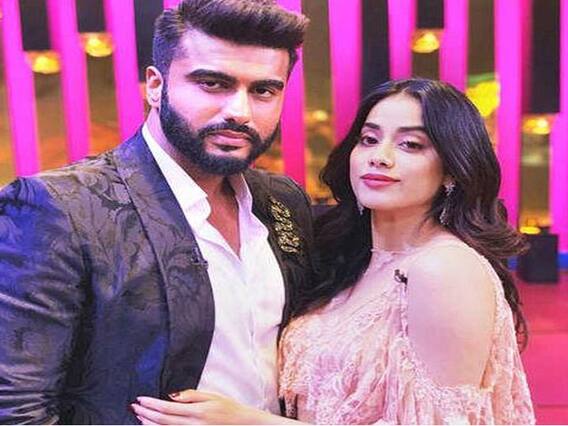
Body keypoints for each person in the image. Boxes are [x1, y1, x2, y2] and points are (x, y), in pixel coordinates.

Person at [132, 79, 535, 425]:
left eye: (411, 145)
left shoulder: (445, 269)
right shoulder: (351, 258)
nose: (380, 156)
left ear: (451, 171)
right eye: (369, 139)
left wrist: (249, 420)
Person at [0, 0, 313, 423]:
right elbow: (15, 408)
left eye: (263, 91)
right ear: (155, 85)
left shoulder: (282, 201)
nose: (239, 112)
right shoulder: (59, 207)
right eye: (212, 83)